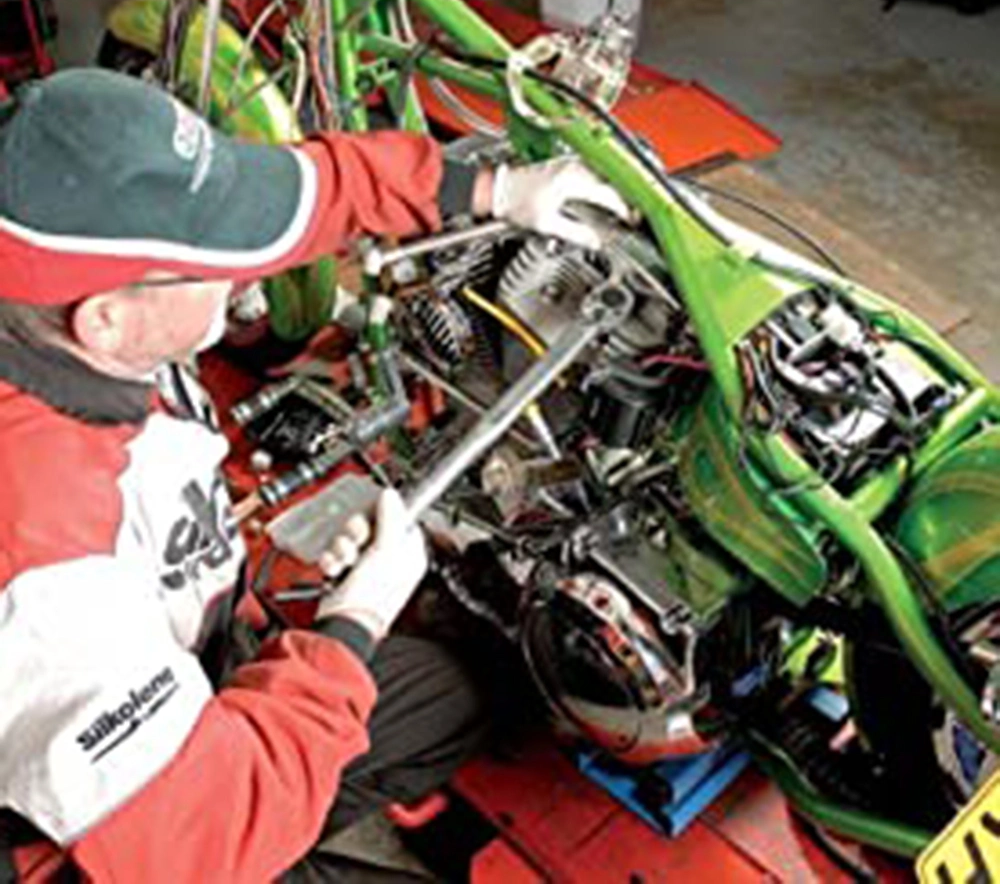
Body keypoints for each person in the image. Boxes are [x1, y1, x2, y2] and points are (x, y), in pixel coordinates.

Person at [0, 68, 628, 882]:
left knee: (465, 688)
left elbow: (301, 192)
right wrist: (353, 621)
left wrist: (493, 189)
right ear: (107, 319)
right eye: (212, 261)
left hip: (196, 661)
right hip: (127, 840)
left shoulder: (57, 307)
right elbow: (200, 841)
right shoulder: (41, 566)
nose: (247, 269)